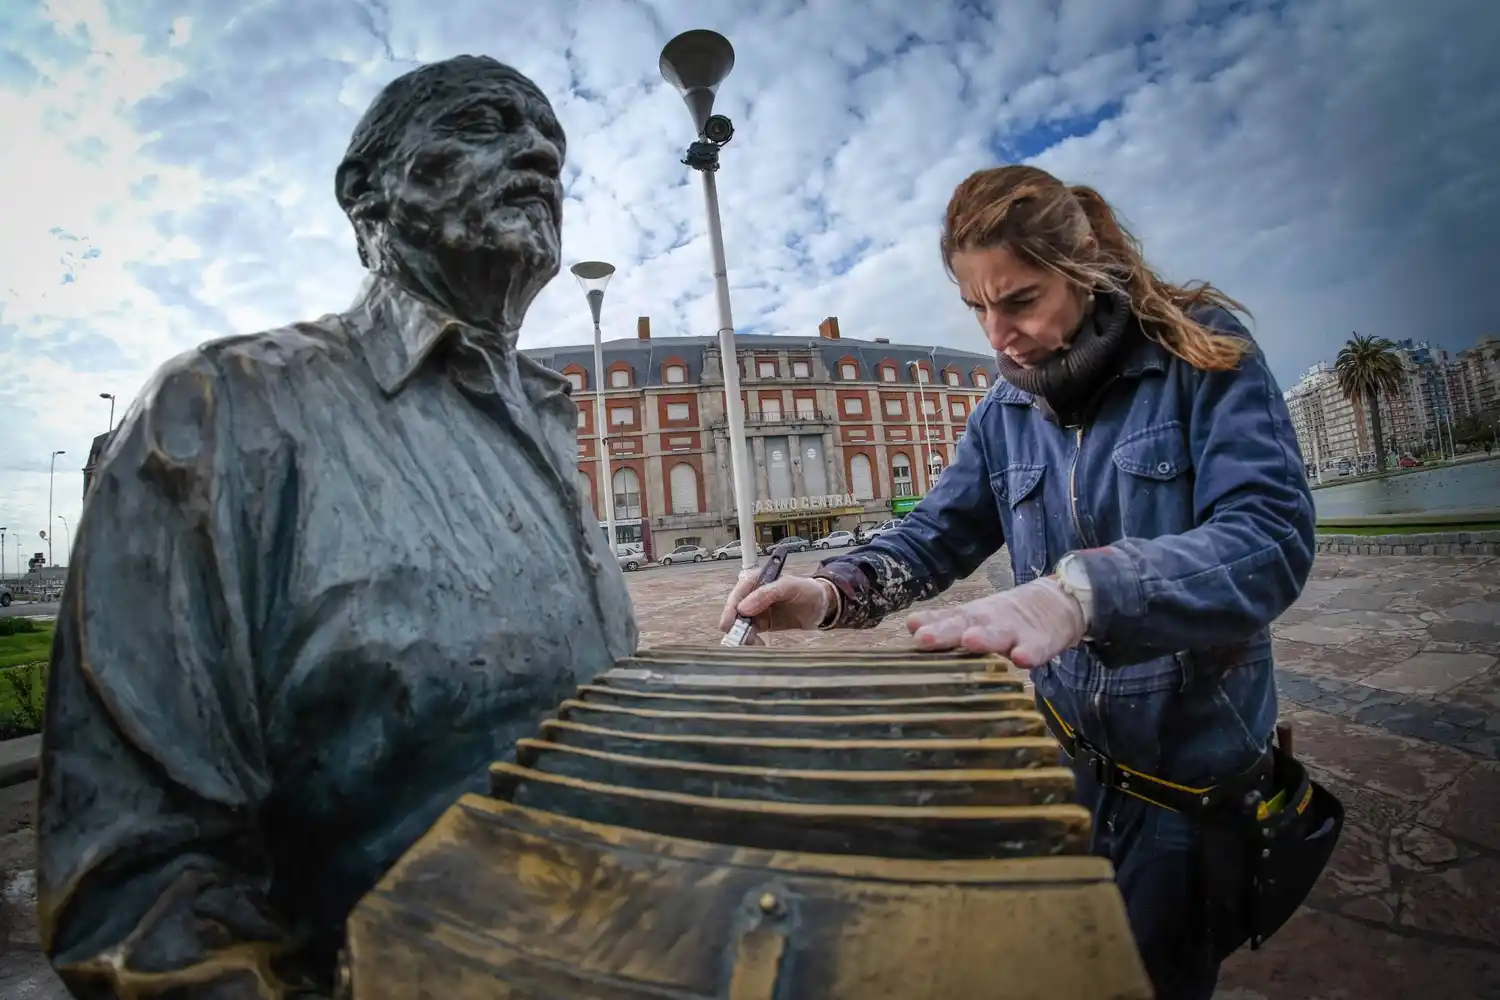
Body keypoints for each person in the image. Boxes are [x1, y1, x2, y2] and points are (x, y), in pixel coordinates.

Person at [37, 55, 637, 999]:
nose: (537, 156)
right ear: (366, 192)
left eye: (552, 149)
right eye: (486, 124)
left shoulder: (550, 430)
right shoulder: (223, 413)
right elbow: (139, 899)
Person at [718, 164, 1317, 1000]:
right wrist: (827, 594)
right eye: (977, 308)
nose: (1000, 337)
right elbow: (933, 535)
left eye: (1021, 300)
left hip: (1187, 789)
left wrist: (1078, 596)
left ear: (1086, 262)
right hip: (1059, 773)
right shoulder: (1003, 411)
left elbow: (1269, 537)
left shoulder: (1199, 350)